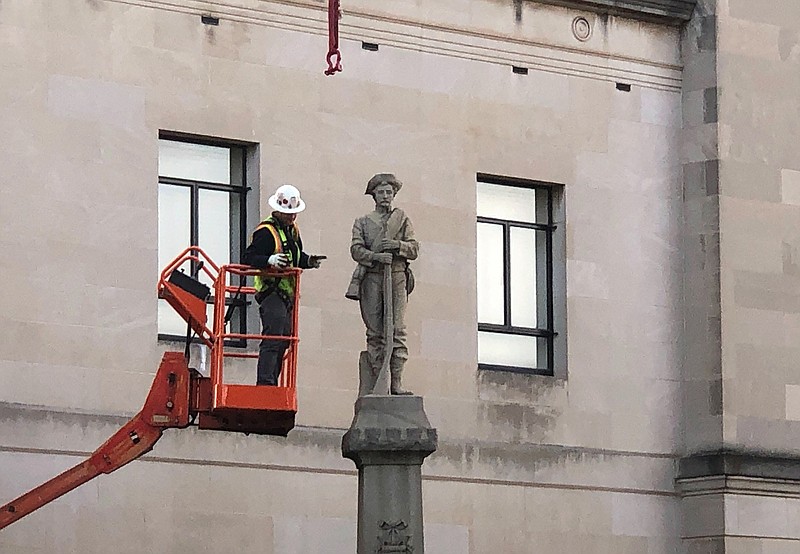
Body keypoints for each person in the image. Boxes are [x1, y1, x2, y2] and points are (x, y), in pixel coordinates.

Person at [243, 184, 324, 386]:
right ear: (278, 210)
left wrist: (308, 261)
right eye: (289, 213)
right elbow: (248, 257)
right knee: (273, 336)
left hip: (287, 294)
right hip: (271, 291)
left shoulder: (292, 231)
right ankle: (266, 383)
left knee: (285, 338)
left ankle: (272, 381)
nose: (292, 216)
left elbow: (294, 256)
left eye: (294, 213)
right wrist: (269, 260)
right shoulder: (266, 232)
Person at [348, 173, 418, 395]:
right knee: (375, 332)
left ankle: (396, 383)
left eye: (389, 192)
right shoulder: (362, 222)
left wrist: (397, 245)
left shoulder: (402, 219)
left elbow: (414, 248)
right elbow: (356, 250)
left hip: (396, 275)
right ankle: (379, 382)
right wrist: (376, 257)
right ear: (374, 195)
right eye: (381, 192)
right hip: (372, 277)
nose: (386, 196)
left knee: (397, 330)